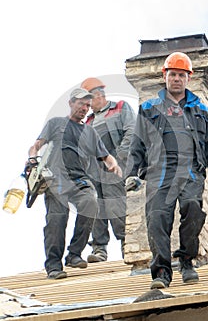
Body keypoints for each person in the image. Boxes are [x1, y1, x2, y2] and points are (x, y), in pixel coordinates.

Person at [126, 52, 208, 289]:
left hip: (191, 171)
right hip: (159, 172)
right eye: (172, 74)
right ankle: (161, 272)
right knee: (157, 219)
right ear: (165, 76)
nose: (176, 79)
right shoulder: (149, 109)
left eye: (181, 75)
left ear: (188, 78)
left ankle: (186, 260)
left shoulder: (202, 111)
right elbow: (138, 144)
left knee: (193, 210)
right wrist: (132, 172)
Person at [27, 87, 122, 279]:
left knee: (91, 203)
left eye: (87, 105)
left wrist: (114, 165)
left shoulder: (90, 132)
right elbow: (36, 146)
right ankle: (54, 266)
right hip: (56, 180)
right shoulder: (56, 124)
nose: (84, 108)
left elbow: (105, 156)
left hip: (80, 180)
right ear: (71, 103)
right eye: (80, 104)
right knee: (56, 221)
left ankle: (74, 254)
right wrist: (32, 159)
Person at [77, 77, 137, 263]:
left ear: (97, 95)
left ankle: (127, 246)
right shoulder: (87, 123)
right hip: (94, 171)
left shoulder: (120, 107)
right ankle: (99, 249)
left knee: (115, 205)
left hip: (115, 167)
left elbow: (132, 131)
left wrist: (118, 158)